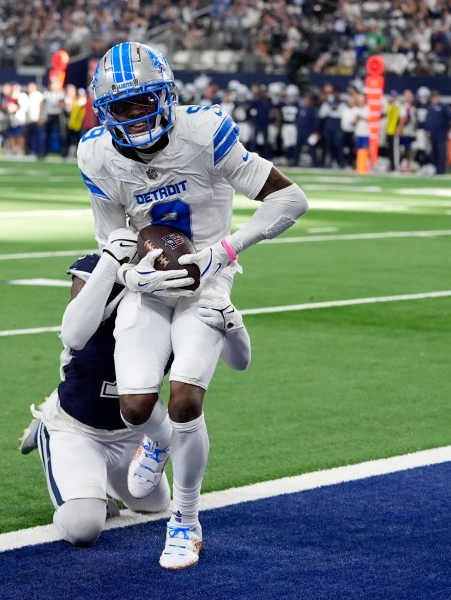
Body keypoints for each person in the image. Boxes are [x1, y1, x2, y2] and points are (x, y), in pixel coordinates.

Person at [78, 42, 309, 569]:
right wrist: (129, 268)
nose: (136, 115)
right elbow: (110, 235)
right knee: (135, 407)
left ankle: (185, 519)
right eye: (122, 106)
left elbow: (290, 199)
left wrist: (221, 253)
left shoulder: (203, 131)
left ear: (167, 96)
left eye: (145, 102)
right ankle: (158, 444)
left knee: (185, 399)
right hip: (150, 284)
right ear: (103, 112)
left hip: (209, 283)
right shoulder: (94, 152)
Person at [19, 230, 251, 548]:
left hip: (133, 432)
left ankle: (98, 480)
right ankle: (49, 427)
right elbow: (73, 335)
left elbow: (239, 361)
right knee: (83, 527)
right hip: (78, 426)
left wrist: (233, 323)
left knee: (152, 506)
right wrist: (111, 262)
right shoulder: (103, 268)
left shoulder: (188, 289)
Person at [423, 90, 451, 175]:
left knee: (441, 151)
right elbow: (428, 120)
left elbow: (449, 118)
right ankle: (435, 168)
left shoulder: (444, 107)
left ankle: (441, 170)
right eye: (433, 97)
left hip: (441, 133)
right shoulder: (430, 108)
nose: (434, 99)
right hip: (432, 133)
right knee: (434, 152)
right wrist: (427, 130)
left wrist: (444, 128)